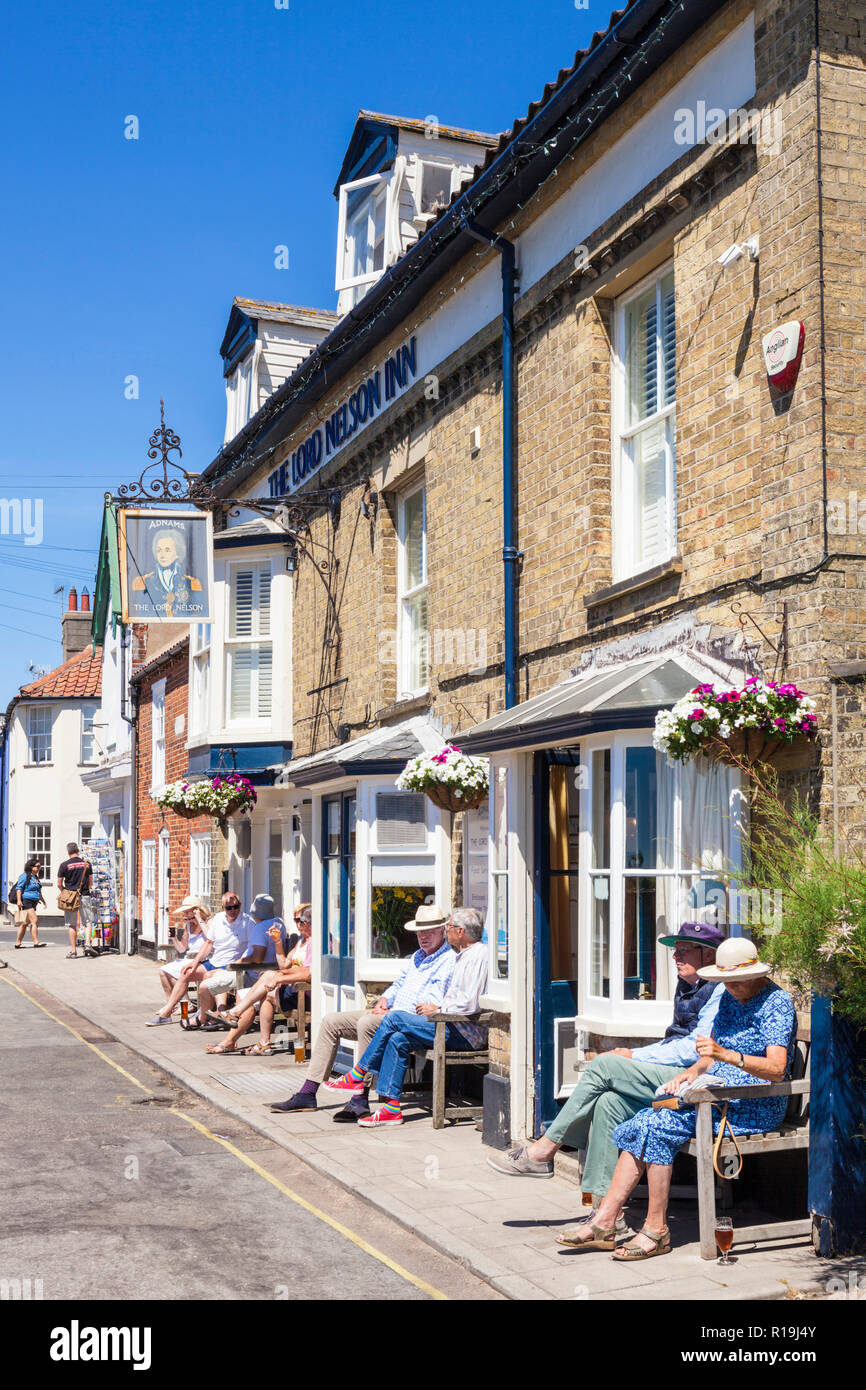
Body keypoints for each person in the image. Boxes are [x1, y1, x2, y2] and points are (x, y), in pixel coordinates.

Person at [557, 936, 797, 1258]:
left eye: (735, 981)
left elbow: (777, 1069)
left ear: (754, 974)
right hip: (714, 1095)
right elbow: (708, 1056)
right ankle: (604, 1220)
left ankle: (656, 1231)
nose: (729, 987)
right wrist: (693, 1072)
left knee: (660, 1124)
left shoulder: (775, 1003)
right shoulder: (728, 998)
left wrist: (728, 1056)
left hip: (753, 1101)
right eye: (724, 981)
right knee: (645, 1119)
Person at [488, 921, 725, 1214]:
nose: (676, 957)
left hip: (694, 1081)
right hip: (672, 1076)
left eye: (685, 951)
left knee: (604, 1065)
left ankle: (545, 1150)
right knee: (608, 1103)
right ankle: (601, 1211)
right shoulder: (689, 985)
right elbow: (673, 1041)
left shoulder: (721, 988)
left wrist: (635, 1055)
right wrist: (635, 1054)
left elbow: (693, 1048)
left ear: (709, 955)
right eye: (675, 951)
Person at [267, 903, 455, 1121]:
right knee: (331, 1021)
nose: (423, 936)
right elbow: (400, 983)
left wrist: (392, 1013)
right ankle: (307, 1093)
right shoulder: (416, 957)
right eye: (420, 931)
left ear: (442, 930)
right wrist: (385, 998)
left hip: (409, 1021)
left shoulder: (448, 961)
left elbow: (429, 1003)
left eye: (430, 931)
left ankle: (359, 1100)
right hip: (391, 1012)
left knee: (366, 1024)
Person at [334, 907, 488, 1128]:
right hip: (447, 1024)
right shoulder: (463, 956)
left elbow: (468, 1003)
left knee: (395, 1018)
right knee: (398, 1040)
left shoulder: (477, 956)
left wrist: (438, 1007)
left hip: (461, 1031)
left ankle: (359, 1073)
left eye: (450, 927)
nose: (448, 930)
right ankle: (391, 1108)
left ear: (461, 931)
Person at [209, 906, 313, 1055]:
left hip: (299, 988)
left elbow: (307, 972)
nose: (297, 925)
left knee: (263, 993)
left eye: (300, 921)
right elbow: (284, 964)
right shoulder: (301, 941)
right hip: (290, 983)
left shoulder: (314, 942)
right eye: (295, 920)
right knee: (253, 990)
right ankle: (236, 1033)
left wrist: (278, 978)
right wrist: (277, 943)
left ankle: (241, 1033)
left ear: (307, 924)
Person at [145, 891, 254, 1027]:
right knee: (173, 972)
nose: (233, 910)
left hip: (227, 964)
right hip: (203, 960)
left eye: (235, 907)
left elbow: (251, 947)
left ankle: (196, 1013)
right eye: (228, 908)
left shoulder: (246, 922)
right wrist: (193, 961)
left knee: (178, 973)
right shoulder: (214, 920)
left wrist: (199, 920)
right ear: (222, 907)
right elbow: (199, 945)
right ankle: (171, 1011)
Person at [131, 529, 203, 619]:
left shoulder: (192, 583)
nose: (162, 555)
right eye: (159, 550)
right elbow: (136, 612)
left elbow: (199, 613)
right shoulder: (142, 582)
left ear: (177, 553)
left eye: (167, 550)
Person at [157, 895, 210, 1013]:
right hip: (188, 959)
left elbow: (210, 937)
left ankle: (186, 1007)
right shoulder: (188, 927)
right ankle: (172, 1005)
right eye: (184, 913)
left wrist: (199, 919)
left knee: (176, 973)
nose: (185, 916)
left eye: (187, 912)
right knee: (163, 971)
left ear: (196, 910)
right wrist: (174, 938)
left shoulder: (207, 923)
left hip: (202, 960)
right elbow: (182, 949)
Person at [56, 842, 95, 960]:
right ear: (78, 851)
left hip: (70, 898)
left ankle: (73, 952)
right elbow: (91, 883)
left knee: (72, 924)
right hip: (84, 895)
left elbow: (59, 884)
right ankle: (88, 944)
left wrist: (66, 892)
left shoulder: (64, 865)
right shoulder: (87, 864)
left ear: (68, 852)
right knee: (87, 922)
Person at [13, 857, 46, 948]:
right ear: (31, 867)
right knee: (34, 921)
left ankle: (18, 943)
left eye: (40, 866)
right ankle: (36, 942)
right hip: (26, 901)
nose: (39, 868)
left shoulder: (35, 877)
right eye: (38, 866)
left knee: (24, 923)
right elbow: (19, 889)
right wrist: (19, 901)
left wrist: (43, 900)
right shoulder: (24, 876)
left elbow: (38, 890)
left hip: (33, 902)